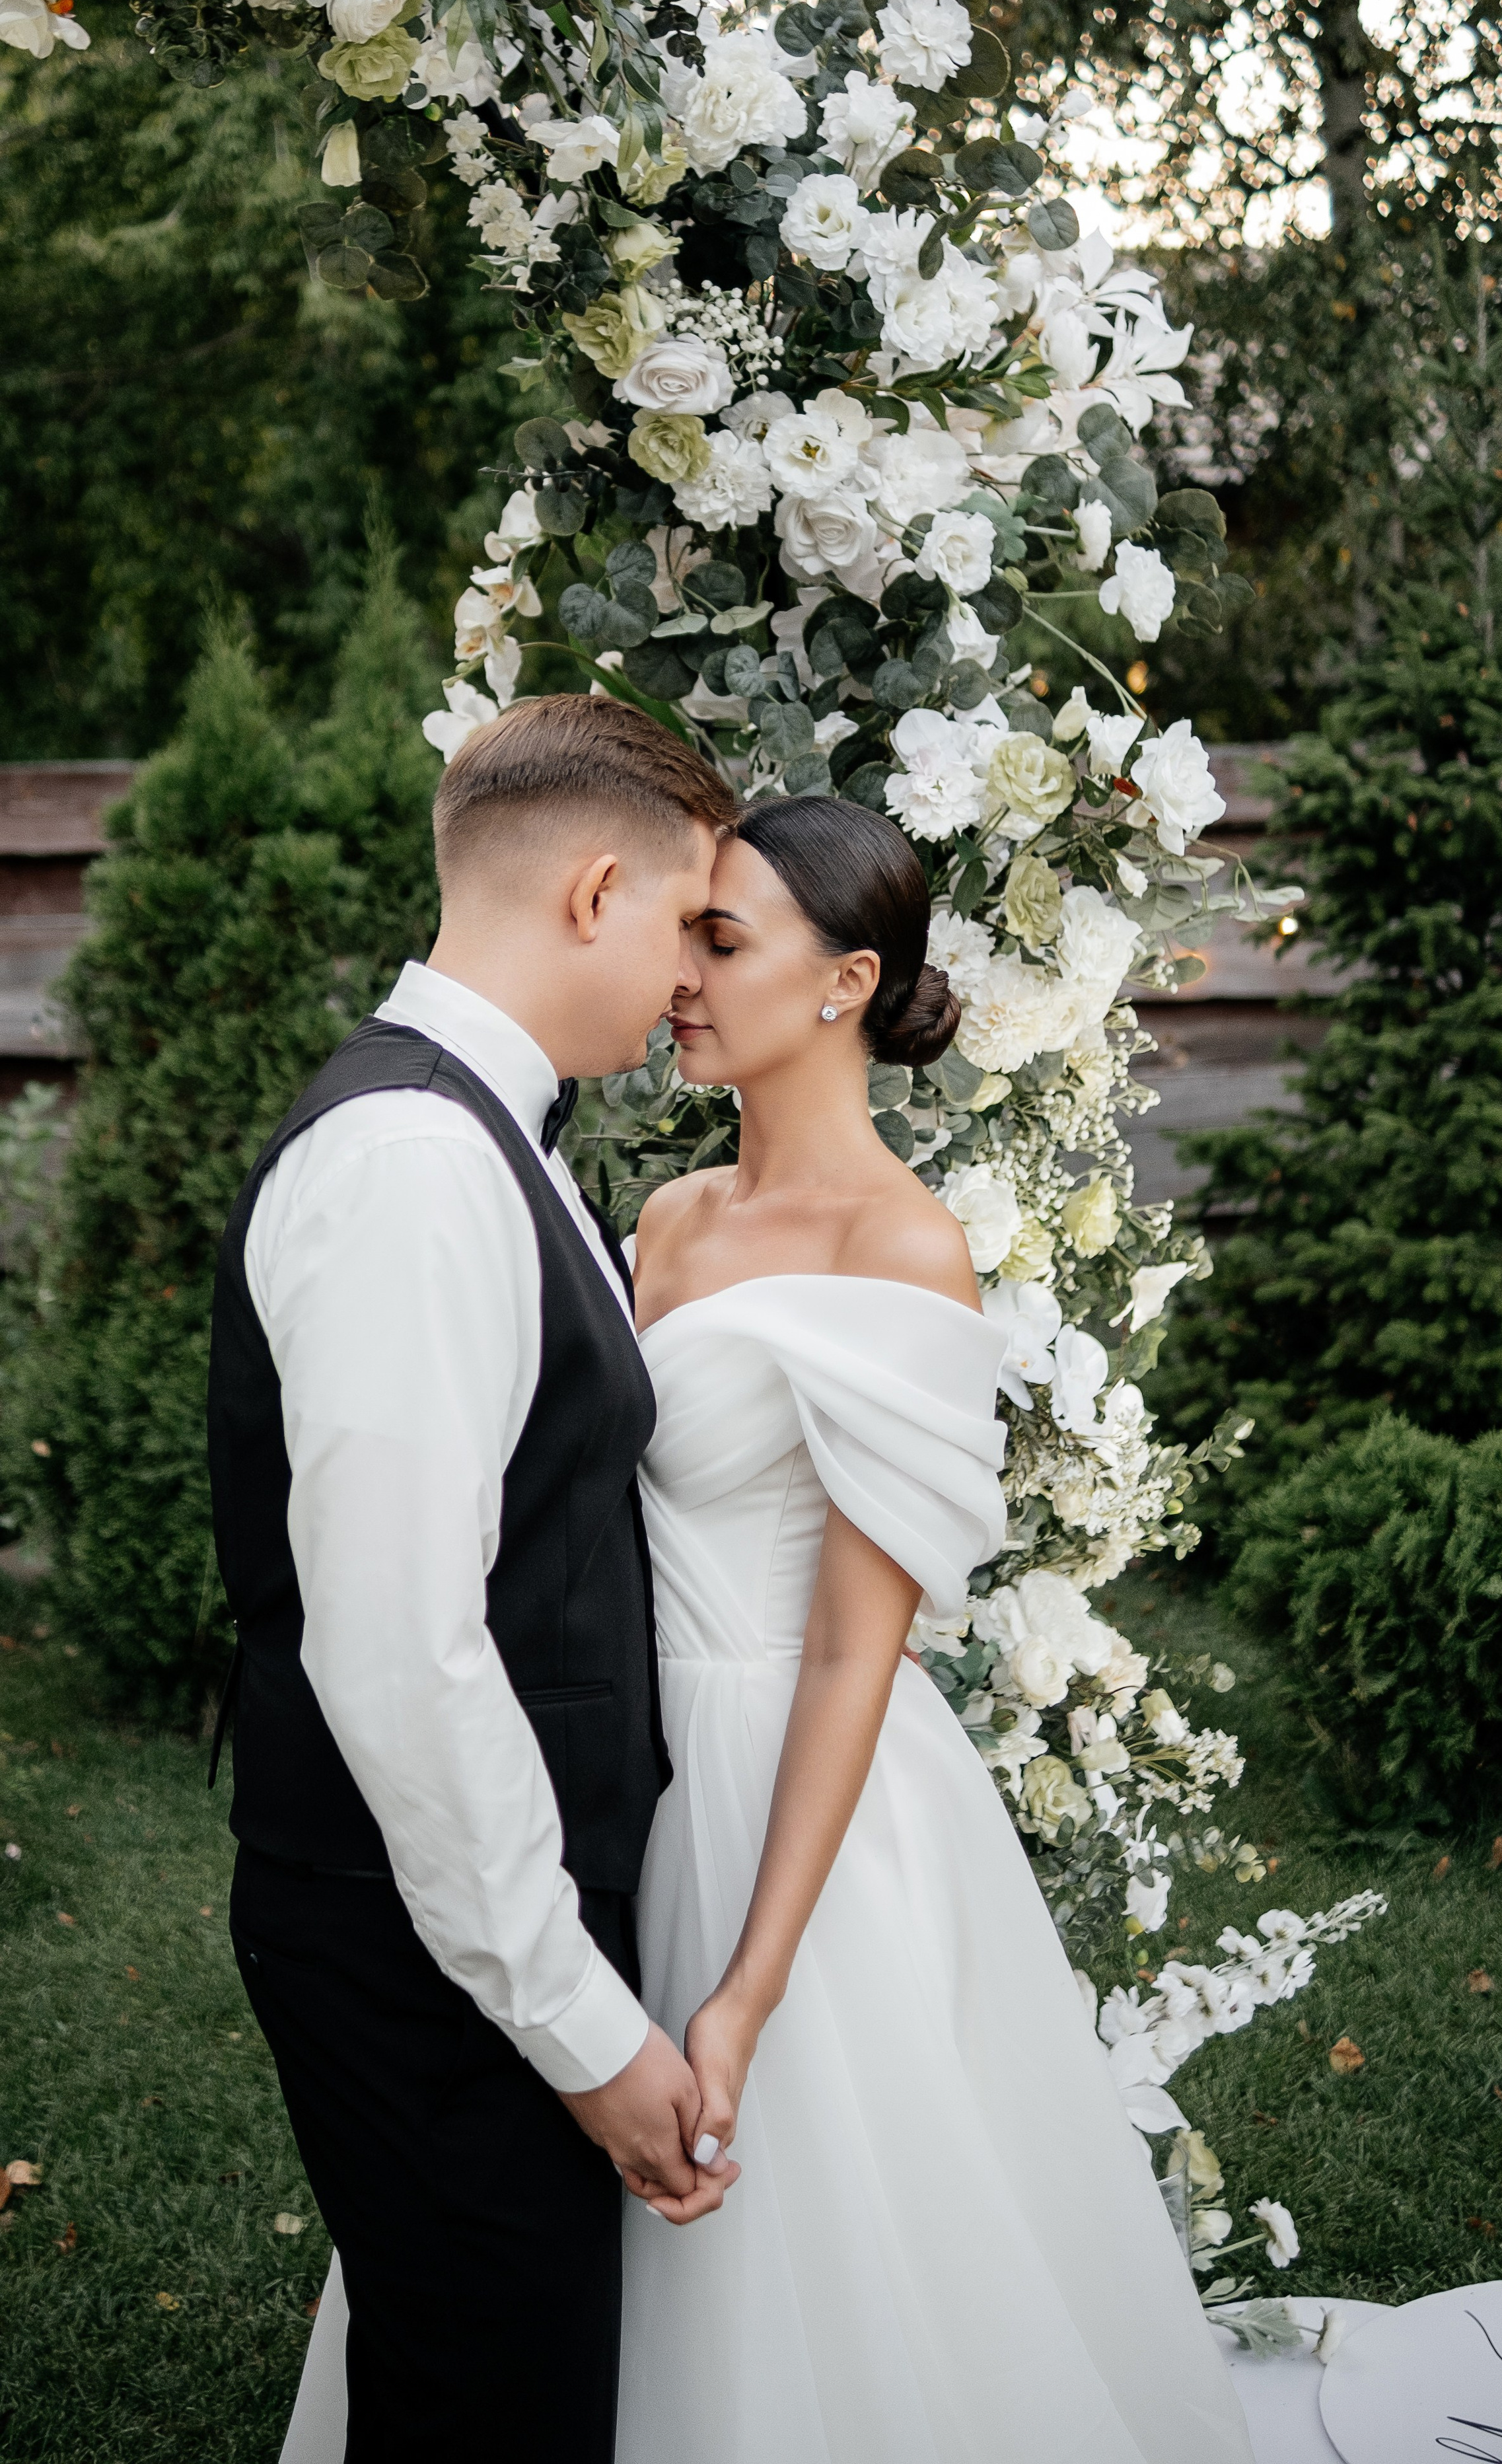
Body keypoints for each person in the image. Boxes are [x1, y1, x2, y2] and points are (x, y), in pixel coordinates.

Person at [616, 795, 1256, 2463]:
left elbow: (853, 1648)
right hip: (625, 1762)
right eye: (684, 934)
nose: (680, 977)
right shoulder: (666, 1223)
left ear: (844, 984)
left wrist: (748, 1990)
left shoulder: (901, 1252)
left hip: (795, 1784)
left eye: (722, 941)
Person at [207, 692, 740, 2464]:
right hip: (422, 1954)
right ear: (595, 890)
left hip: (453, 1935)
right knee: (486, 2410)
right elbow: (403, 1659)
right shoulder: (420, 1164)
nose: (689, 983)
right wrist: (588, 2034)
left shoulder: (485, 1133)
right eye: (683, 922)